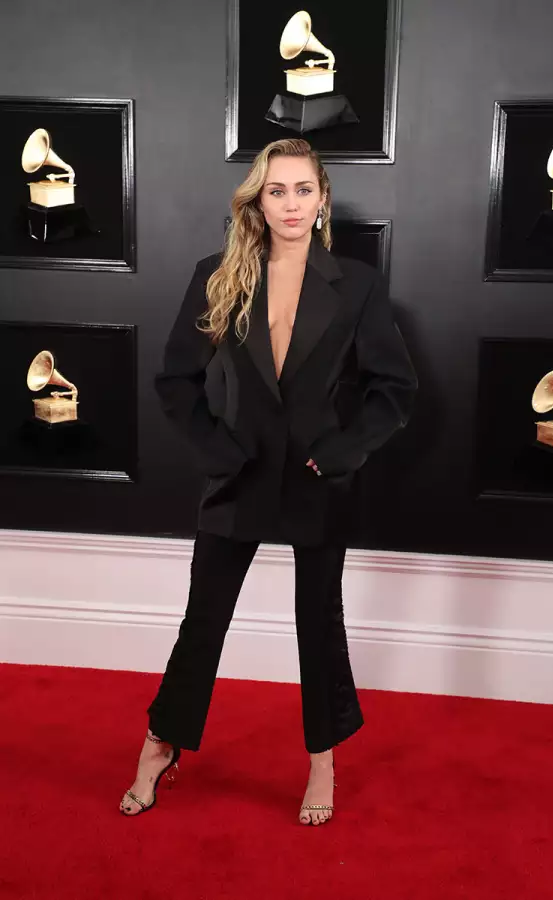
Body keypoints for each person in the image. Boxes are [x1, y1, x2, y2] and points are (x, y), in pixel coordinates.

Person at [119, 137, 417, 826]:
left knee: (319, 625)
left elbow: (395, 389)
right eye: (276, 190)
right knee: (203, 622)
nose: (290, 204)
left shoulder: (358, 285)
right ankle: (160, 744)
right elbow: (175, 380)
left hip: (319, 478)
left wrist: (342, 453)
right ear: (257, 198)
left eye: (303, 190)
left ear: (322, 201)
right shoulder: (215, 275)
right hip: (239, 474)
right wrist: (218, 452)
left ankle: (322, 759)